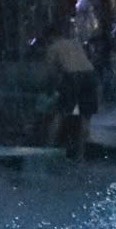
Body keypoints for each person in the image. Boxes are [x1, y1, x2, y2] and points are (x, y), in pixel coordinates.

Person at [42, 16, 98, 159]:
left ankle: (47, 152)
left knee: (60, 113)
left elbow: (50, 73)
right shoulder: (75, 43)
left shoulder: (53, 47)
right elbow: (86, 60)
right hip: (90, 75)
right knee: (85, 117)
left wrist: (50, 90)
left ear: (50, 37)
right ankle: (80, 155)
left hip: (72, 77)